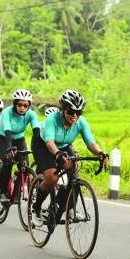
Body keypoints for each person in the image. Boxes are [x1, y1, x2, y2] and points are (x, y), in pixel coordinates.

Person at [29, 89, 107, 223]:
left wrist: (100, 153)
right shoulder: (52, 119)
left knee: (74, 175)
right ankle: (36, 207)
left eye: (78, 112)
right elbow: (49, 141)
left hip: (64, 146)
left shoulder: (81, 122)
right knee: (52, 178)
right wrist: (57, 153)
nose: (74, 115)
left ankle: (63, 206)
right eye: (71, 111)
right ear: (62, 108)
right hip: (43, 145)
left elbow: (90, 142)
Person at [0, 89, 40, 204]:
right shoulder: (7, 112)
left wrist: (39, 147)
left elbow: (37, 132)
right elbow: (8, 131)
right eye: (19, 104)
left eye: (25, 105)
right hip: (2, 138)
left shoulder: (32, 114)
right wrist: (9, 148)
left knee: (24, 164)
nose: (22, 107)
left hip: (19, 139)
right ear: (15, 104)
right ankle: (3, 190)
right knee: (8, 160)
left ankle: (16, 192)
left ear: (29, 106)